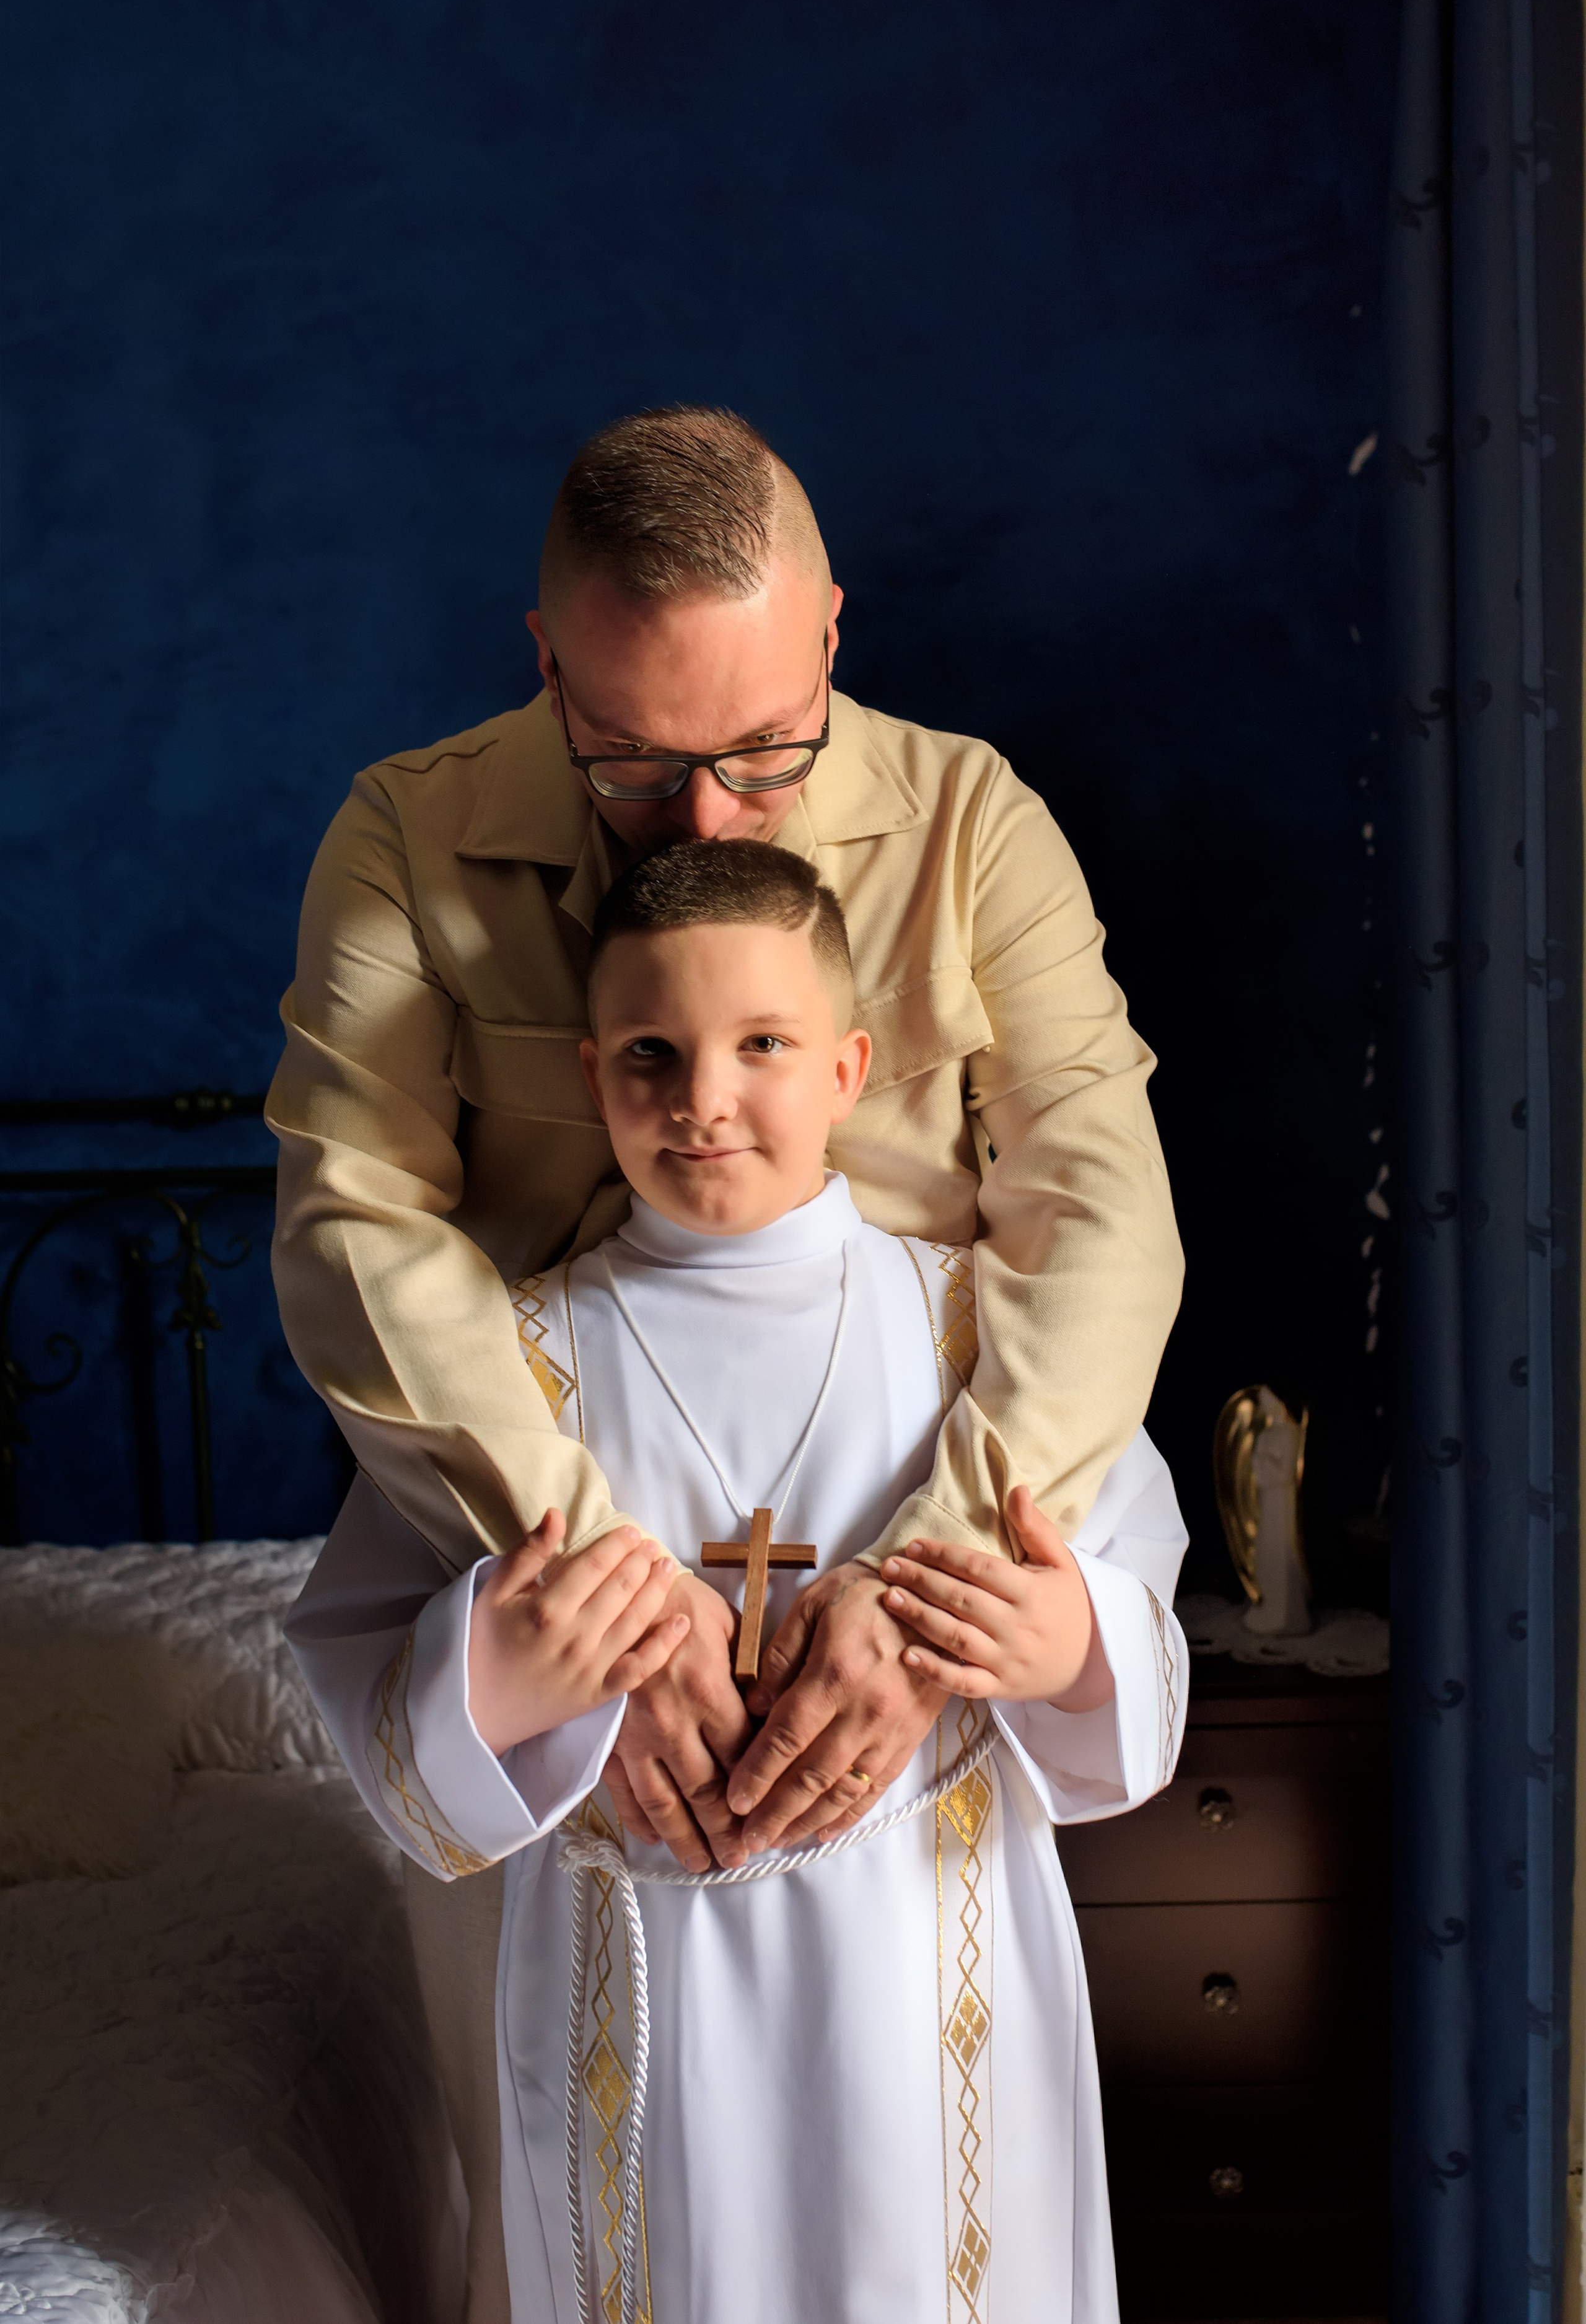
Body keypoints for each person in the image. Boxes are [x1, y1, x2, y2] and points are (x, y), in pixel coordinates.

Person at [266, 403, 1183, 2304]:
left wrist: (938, 1585)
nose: (704, 823)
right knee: (577, 2201)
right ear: (546, 666)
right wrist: (597, 1583)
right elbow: (358, 1219)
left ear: (834, 630)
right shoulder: (409, 835)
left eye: (766, 751)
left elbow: (1101, 1210)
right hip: (531, 1569)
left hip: (916, 1541)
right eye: (634, 760)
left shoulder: (968, 818)